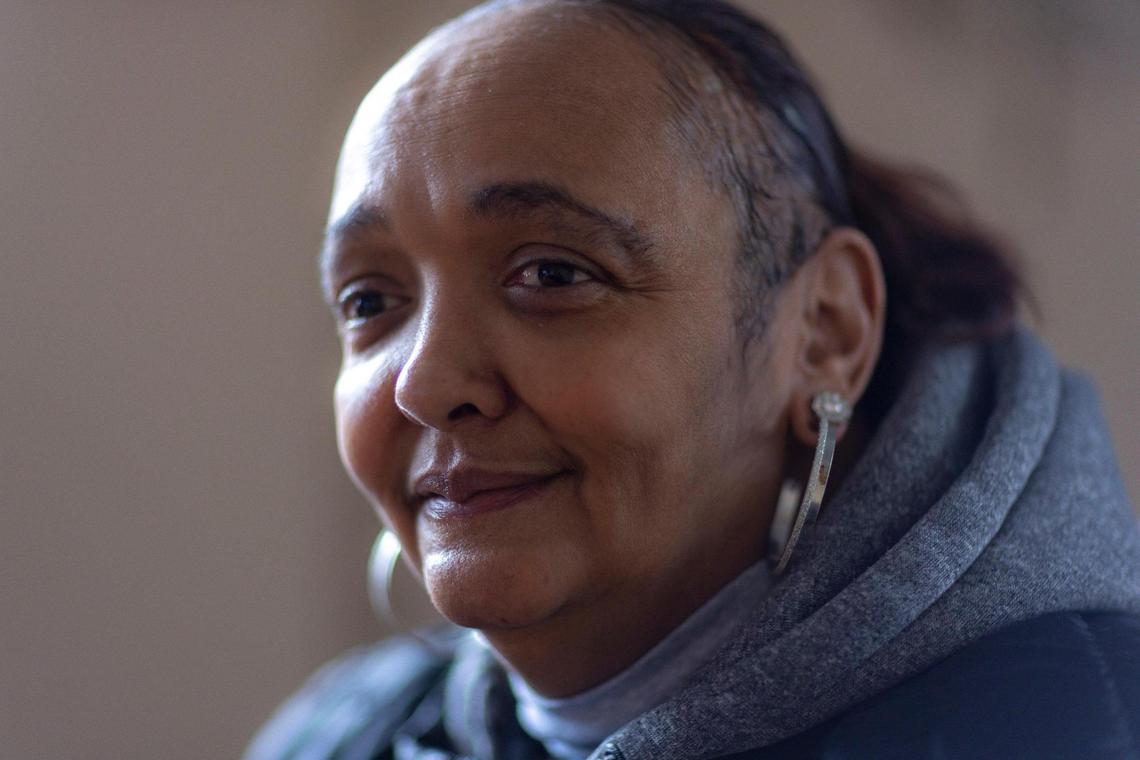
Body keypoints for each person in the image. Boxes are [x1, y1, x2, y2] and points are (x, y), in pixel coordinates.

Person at [246, 1, 1140, 758]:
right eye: (370, 302)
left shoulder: (1075, 725)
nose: (425, 384)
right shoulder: (335, 732)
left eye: (552, 274)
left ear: (824, 331)